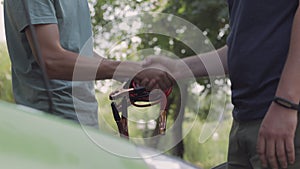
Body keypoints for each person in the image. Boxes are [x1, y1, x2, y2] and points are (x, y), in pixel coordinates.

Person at [144, 0, 300, 168]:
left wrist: (286, 103)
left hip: (283, 120)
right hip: (245, 122)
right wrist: (177, 68)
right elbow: (240, 50)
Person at [3, 0, 173, 128]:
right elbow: (52, 60)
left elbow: (78, 52)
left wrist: (136, 73)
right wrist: (131, 70)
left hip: (83, 118)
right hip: (53, 122)